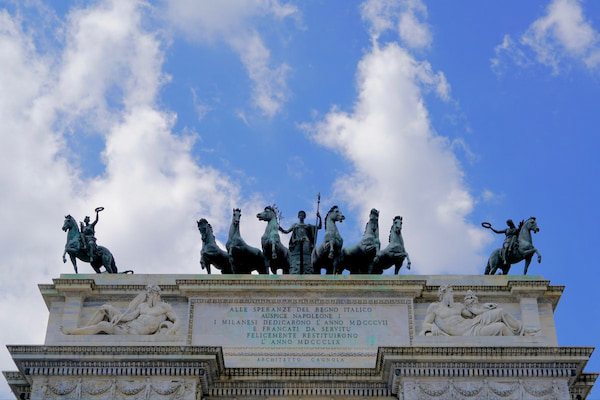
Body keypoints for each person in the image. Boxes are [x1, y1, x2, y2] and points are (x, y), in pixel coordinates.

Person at [61, 285, 181, 335]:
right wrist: (120, 317)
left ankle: (73, 332)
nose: (149, 296)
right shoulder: (142, 306)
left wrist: (169, 333)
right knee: (105, 308)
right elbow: (130, 317)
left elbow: (177, 321)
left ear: (157, 294)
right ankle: (82, 331)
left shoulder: (164, 307)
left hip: (133, 333)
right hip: (128, 325)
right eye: (148, 293)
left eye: (151, 293)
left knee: (102, 325)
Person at [419, 285, 535, 337]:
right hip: (467, 333)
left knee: (500, 312)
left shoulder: (458, 306)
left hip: (473, 324)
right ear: (443, 294)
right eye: (450, 293)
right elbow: (425, 323)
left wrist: (485, 307)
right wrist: (432, 327)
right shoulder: (435, 307)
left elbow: (472, 313)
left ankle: (524, 332)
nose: (452, 295)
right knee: (501, 327)